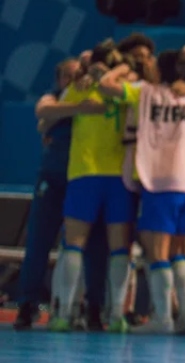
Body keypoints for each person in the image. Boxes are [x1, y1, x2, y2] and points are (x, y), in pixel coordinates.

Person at [99, 51, 185, 334]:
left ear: (160, 70)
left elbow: (105, 86)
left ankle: (163, 318)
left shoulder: (143, 92)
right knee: (182, 252)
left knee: (156, 252)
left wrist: (122, 67)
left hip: (160, 181)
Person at [48, 41, 137, 333]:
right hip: (114, 177)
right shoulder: (125, 88)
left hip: (87, 174)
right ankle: (115, 315)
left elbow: (49, 114)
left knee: (76, 242)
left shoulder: (85, 87)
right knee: (117, 247)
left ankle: (65, 312)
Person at [13, 58, 108, 330]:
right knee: (38, 242)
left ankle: (93, 306)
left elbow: (46, 122)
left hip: (85, 180)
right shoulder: (58, 97)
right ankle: (28, 304)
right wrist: (77, 108)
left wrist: (57, 117)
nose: (75, 79)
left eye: (79, 73)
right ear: (59, 79)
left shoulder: (98, 97)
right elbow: (43, 112)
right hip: (53, 179)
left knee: (93, 245)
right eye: (68, 75)